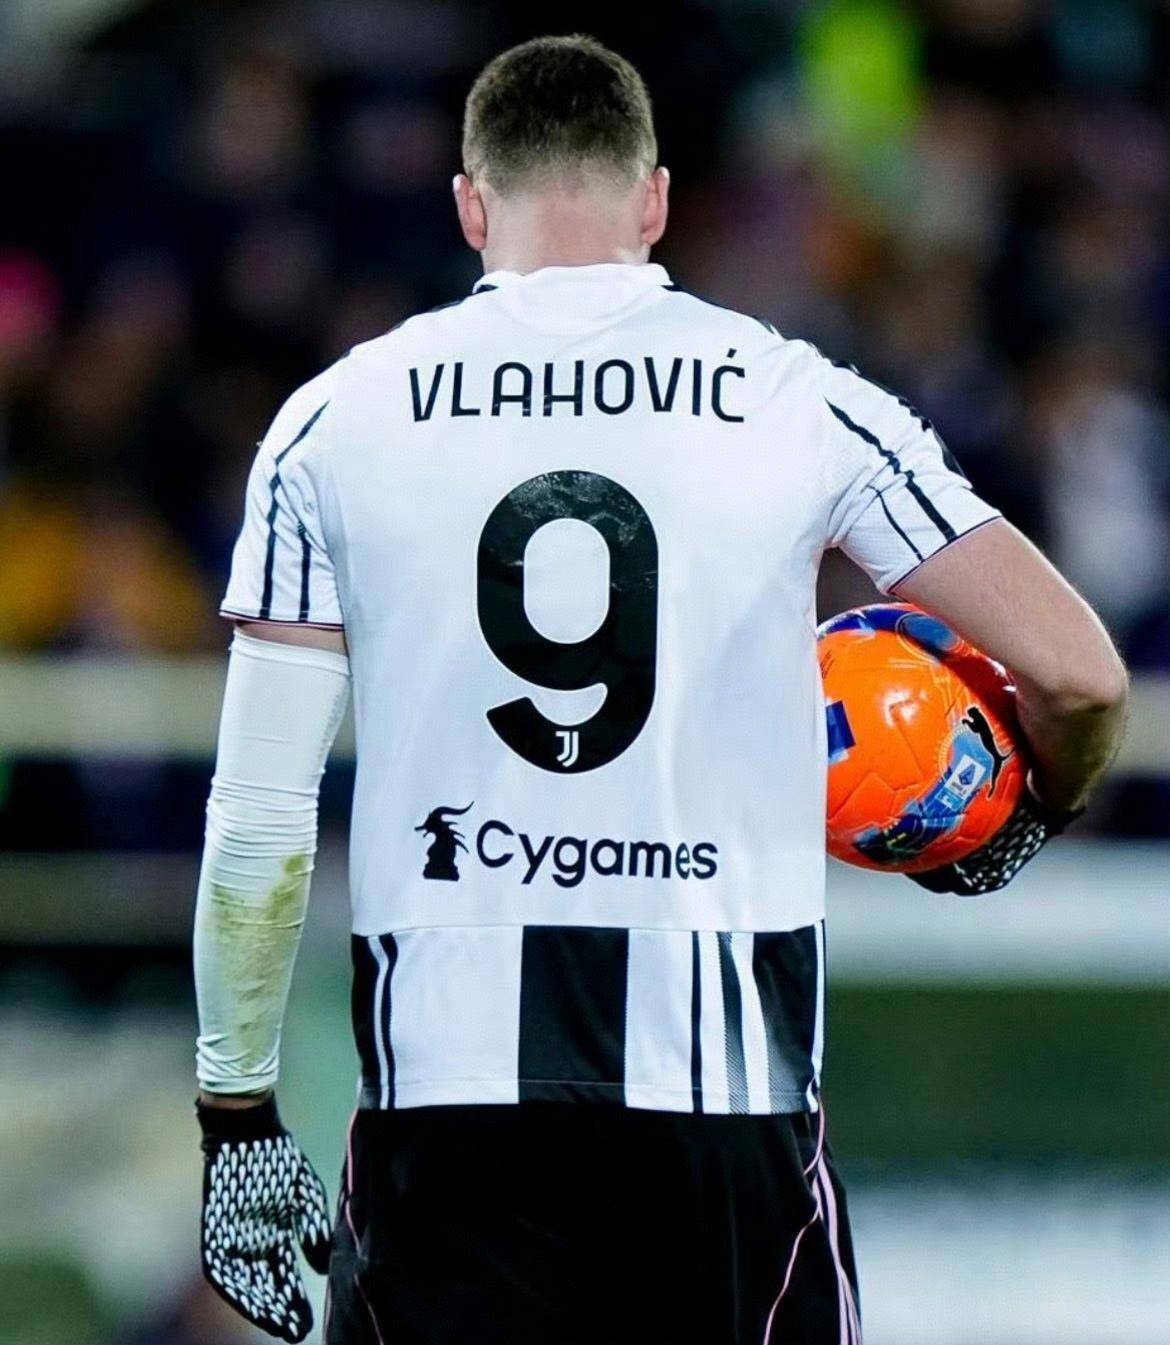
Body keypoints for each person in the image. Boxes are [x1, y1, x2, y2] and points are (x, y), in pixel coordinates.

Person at [192, 34, 1128, 1345]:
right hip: (723, 1108)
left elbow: (258, 824)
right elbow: (1080, 674)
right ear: (655, 201)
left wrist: (235, 1112)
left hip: (447, 1111)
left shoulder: (335, 422)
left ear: (470, 206)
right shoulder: (800, 402)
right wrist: (1030, 813)